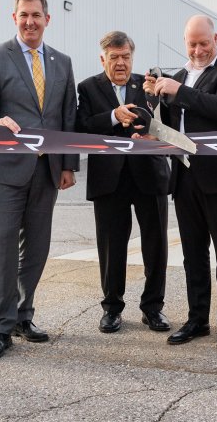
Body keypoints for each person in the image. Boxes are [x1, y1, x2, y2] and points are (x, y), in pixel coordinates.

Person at [0, 0, 79, 360]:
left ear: (47, 19)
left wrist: (68, 164)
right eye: (23, 15)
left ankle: (23, 314)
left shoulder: (62, 62)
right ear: (13, 17)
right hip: (5, 168)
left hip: (47, 169)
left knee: (37, 247)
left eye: (36, 15)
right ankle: (0, 327)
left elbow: (68, 117)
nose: (30, 21)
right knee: (3, 245)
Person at [145, 15, 217, 352]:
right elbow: (167, 128)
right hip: (184, 175)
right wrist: (149, 110)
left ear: (216, 39)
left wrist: (179, 91)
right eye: (191, 44)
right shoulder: (175, 77)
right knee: (193, 253)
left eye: (203, 43)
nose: (197, 50)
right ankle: (197, 319)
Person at [76, 31, 171, 334]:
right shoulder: (88, 88)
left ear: (132, 57)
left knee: (155, 245)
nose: (121, 63)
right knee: (111, 246)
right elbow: (82, 127)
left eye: (126, 56)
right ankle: (112, 308)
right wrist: (114, 116)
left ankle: (153, 307)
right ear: (102, 58)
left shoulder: (148, 86)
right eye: (114, 57)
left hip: (149, 175)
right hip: (109, 179)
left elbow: (166, 123)